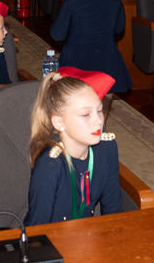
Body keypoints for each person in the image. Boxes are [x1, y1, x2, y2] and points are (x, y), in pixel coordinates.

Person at [25, 67, 121, 226]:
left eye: (99, 110)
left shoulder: (106, 149)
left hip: (88, 238)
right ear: (59, 122)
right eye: (86, 114)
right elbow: (37, 230)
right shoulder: (50, 164)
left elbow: (113, 213)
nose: (98, 121)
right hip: (53, 243)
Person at [50, 0, 131, 96]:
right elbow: (119, 29)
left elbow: (57, 35)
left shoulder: (73, 1)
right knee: (102, 102)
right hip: (107, 61)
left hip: (77, 62)